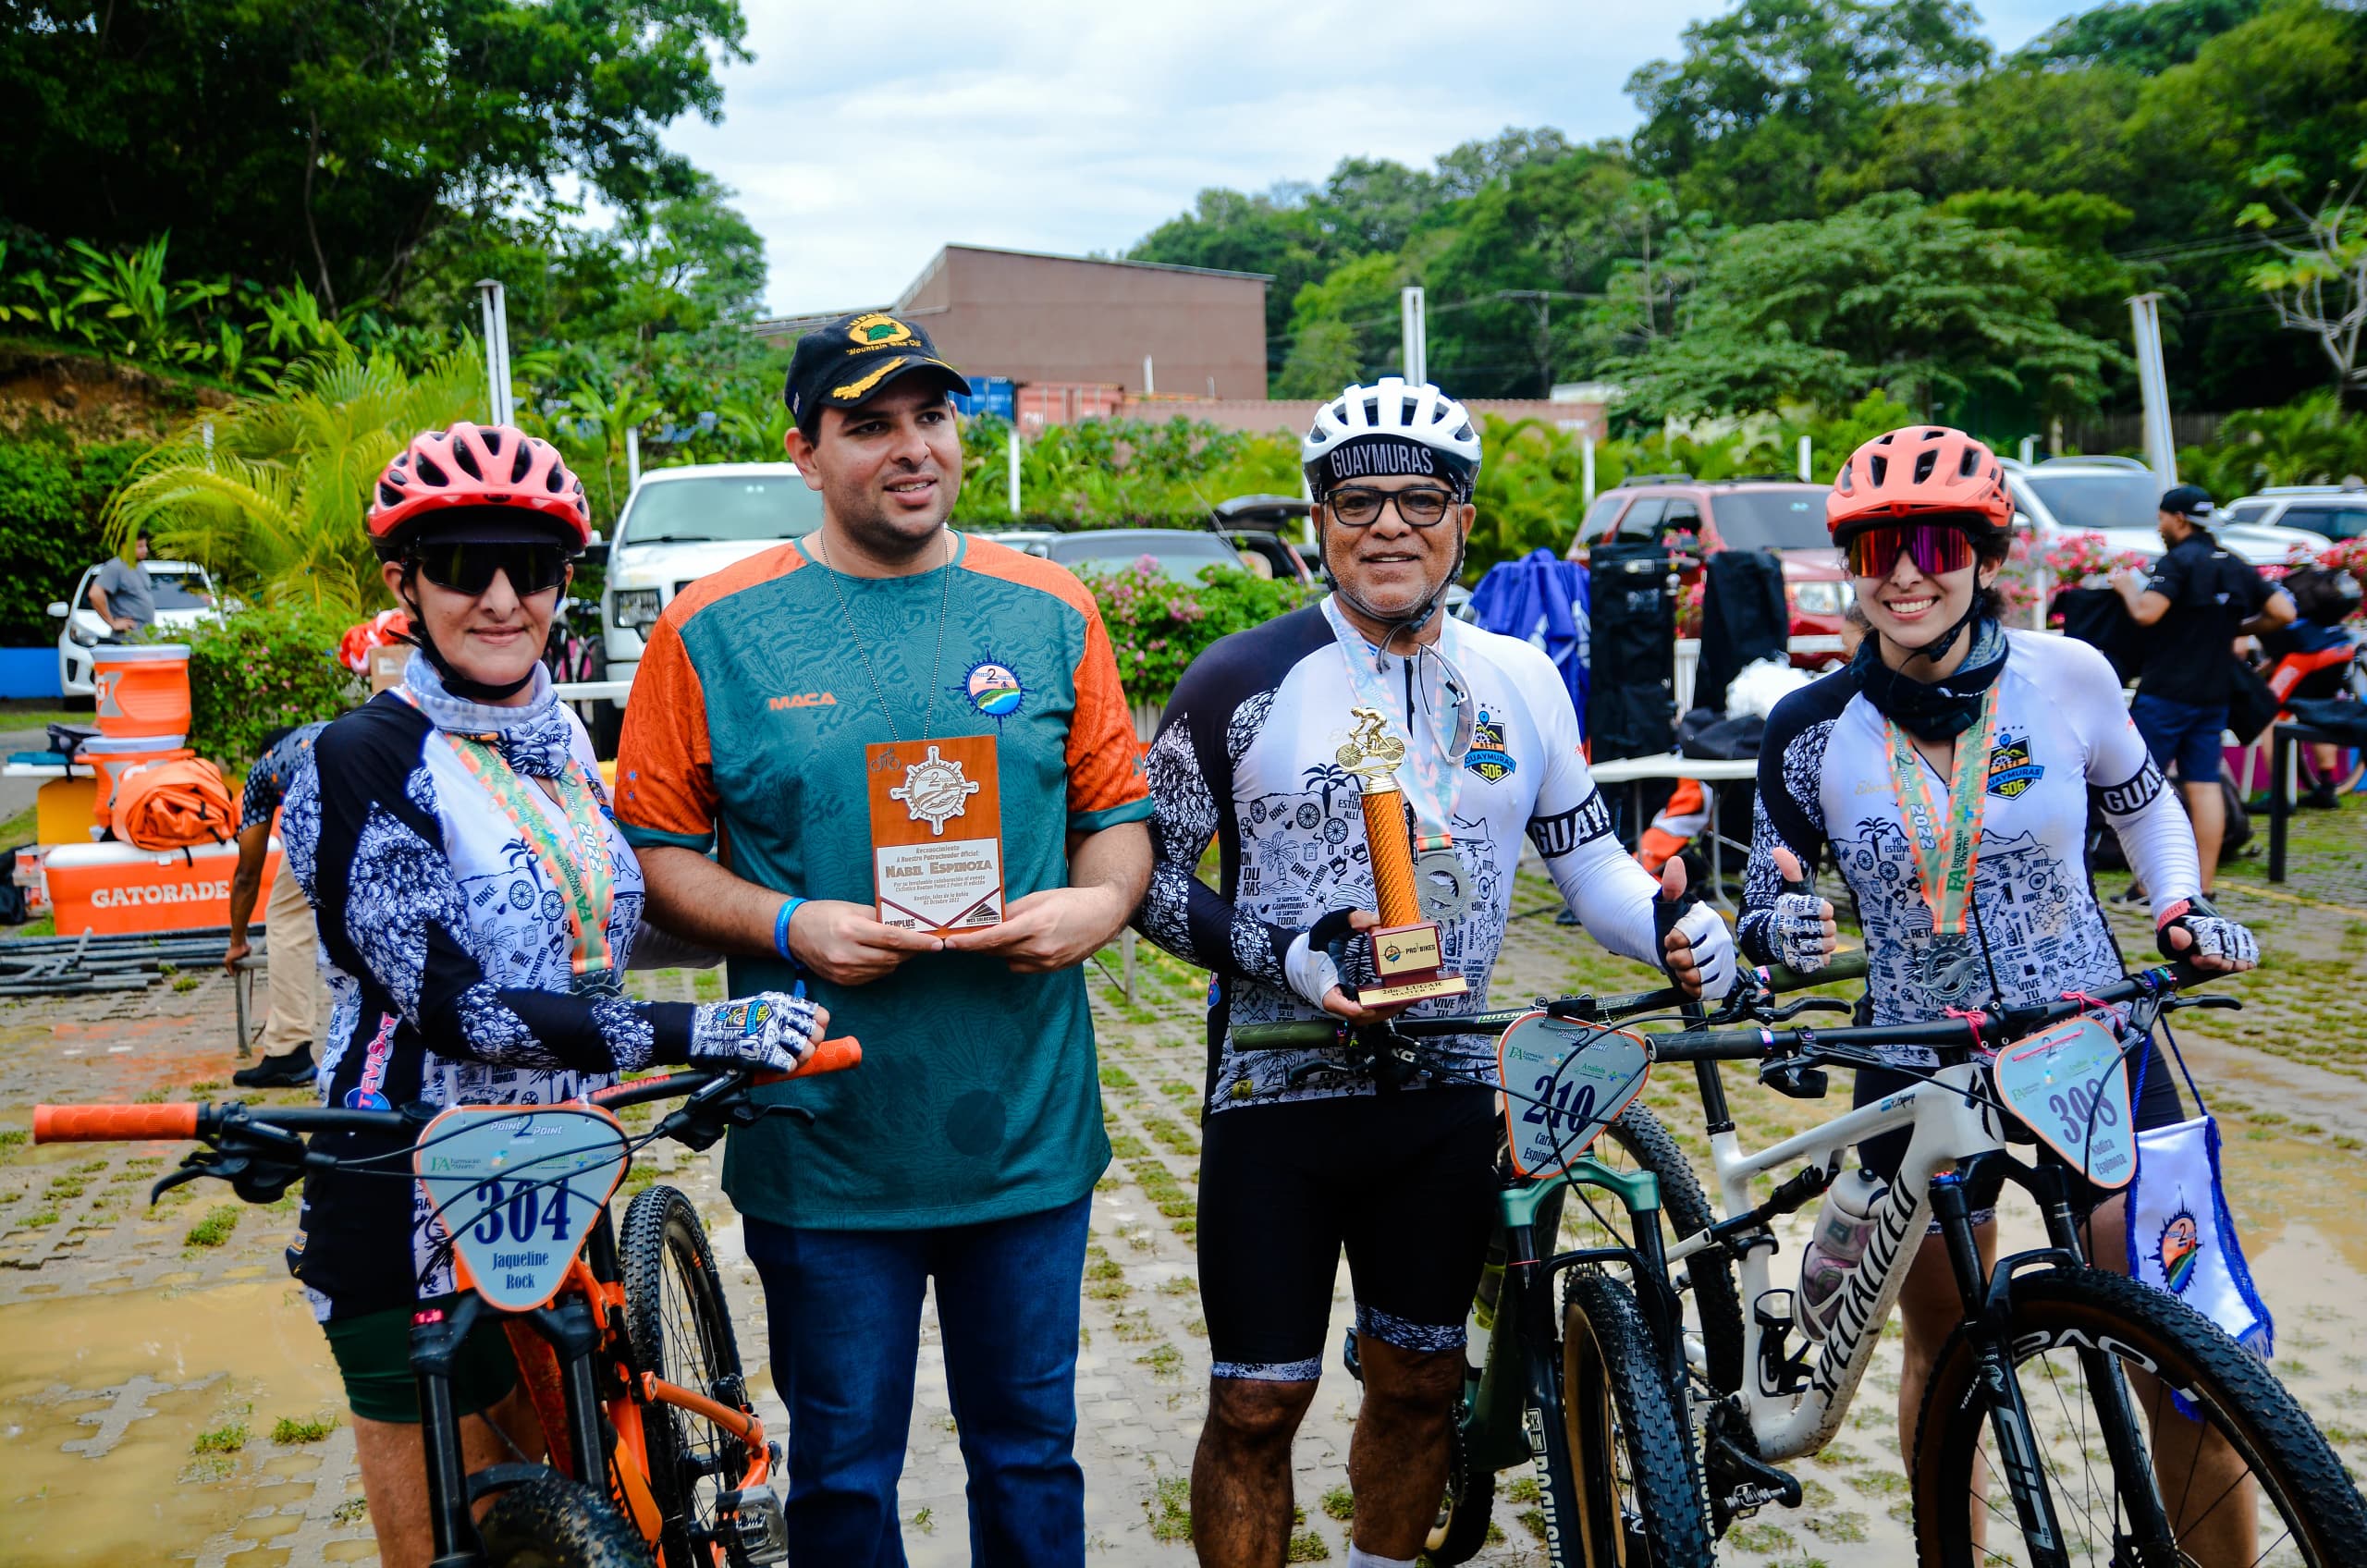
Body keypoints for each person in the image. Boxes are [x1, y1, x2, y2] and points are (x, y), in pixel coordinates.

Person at [1134, 377, 1735, 1568]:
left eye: (1422, 498)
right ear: (1318, 517)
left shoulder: (1522, 676)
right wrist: (1290, 957)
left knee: (1418, 1383)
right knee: (1257, 1401)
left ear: (1464, 519)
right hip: (1277, 1090)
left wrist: (1671, 929)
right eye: (1359, 499)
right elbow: (1143, 882)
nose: (1389, 524)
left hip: (1450, 1088)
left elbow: (1592, 866)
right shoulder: (1237, 679)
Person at [616, 311, 1153, 1567]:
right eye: (870, 425)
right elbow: (654, 855)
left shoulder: (1049, 609)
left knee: (1029, 1450)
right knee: (845, 1467)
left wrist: (1098, 906)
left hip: (1021, 1126)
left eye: (932, 417)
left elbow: (1114, 823)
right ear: (804, 453)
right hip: (822, 1136)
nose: (913, 449)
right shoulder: (713, 628)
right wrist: (788, 922)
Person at [278, 421, 828, 1568]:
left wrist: (801, 925)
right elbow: (456, 1009)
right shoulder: (362, 760)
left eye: (527, 568)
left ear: (561, 583)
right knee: (452, 1542)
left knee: (574, 1503)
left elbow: (604, 934)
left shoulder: (560, 746)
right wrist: (704, 1026)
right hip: (401, 1179)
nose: (496, 596)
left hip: (550, 1160)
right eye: (458, 563)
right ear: (403, 582)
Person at [1741, 425, 2263, 1560]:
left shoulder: (2066, 673)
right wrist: (1778, 928)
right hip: (1918, 1057)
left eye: (1933, 541)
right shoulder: (1806, 728)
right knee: (1945, 1350)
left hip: (2088, 1035)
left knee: (2180, 1357)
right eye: (1877, 547)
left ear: (1985, 554)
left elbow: (2147, 805)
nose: (1905, 570)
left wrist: (2175, 905)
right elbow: (1763, 900)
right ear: (1853, 567)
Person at [2111, 484, 2293, 890]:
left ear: (2178, 519)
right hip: (2214, 692)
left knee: (2145, 785)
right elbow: (2283, 611)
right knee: (2205, 784)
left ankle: (2147, 888)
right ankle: (2203, 887)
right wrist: (2240, 627)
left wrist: (2126, 587)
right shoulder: (2233, 562)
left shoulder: (2176, 562)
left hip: (2165, 691)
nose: (2158, 527)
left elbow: (2147, 612)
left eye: (2161, 519)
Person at [221, 720, 331, 1088]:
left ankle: (288, 1053)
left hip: (330, 799)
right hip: (391, 788)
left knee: (288, 915)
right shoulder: (323, 731)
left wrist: (238, 941)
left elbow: (247, 874)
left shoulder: (264, 769)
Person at [88, 529, 159, 636]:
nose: (145, 550)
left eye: (145, 546)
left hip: (145, 636)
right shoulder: (115, 567)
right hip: (128, 637)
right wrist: (112, 622)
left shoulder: (139, 566)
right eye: (140, 547)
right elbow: (95, 594)